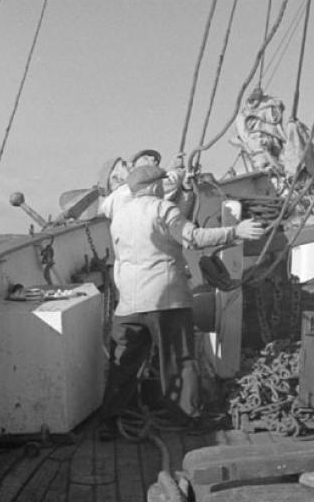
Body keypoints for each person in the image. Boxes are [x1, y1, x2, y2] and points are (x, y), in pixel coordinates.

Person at [97, 164, 264, 439]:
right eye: (161, 182)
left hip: (128, 304)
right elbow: (193, 238)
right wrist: (237, 231)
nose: (164, 186)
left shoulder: (119, 212)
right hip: (166, 301)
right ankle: (188, 417)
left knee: (122, 363)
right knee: (179, 360)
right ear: (153, 187)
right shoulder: (162, 209)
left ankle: (108, 422)